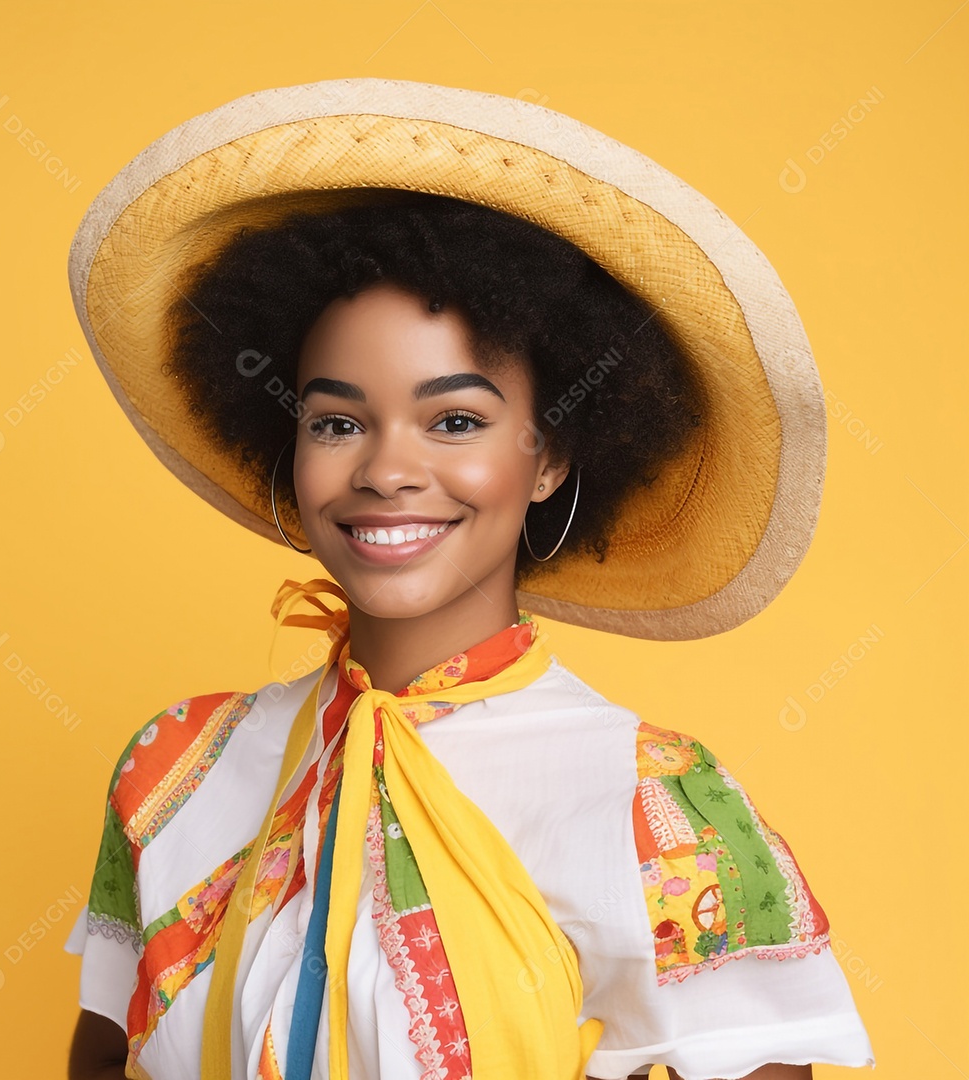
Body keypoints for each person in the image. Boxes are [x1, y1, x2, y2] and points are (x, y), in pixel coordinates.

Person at [62, 79, 876, 1080]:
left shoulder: (652, 801)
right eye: (337, 420)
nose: (386, 470)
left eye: (455, 420)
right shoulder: (174, 773)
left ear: (550, 458)